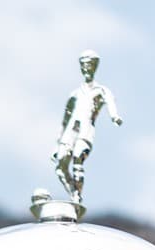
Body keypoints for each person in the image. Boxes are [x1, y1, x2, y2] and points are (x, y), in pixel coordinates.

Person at [52, 50, 122, 203]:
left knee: (78, 159)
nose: (86, 68)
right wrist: (57, 145)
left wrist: (114, 116)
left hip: (85, 131)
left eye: (89, 65)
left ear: (95, 67)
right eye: (83, 65)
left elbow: (110, 101)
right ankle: (73, 192)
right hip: (70, 132)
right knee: (61, 167)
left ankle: (77, 197)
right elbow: (65, 119)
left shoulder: (101, 91)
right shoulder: (75, 94)